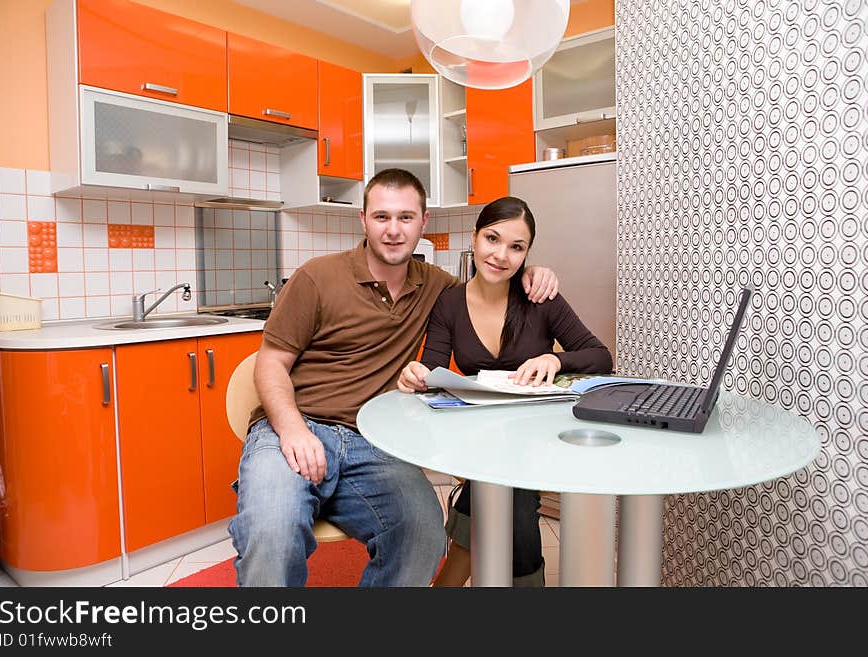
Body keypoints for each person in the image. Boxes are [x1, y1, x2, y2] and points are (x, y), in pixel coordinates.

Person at [228, 169, 561, 587]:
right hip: (295, 429)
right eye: (382, 217)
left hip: (374, 439)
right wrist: (293, 430)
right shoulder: (316, 276)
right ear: (363, 220)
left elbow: (490, 282)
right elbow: (270, 363)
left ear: (424, 224)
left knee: (422, 533)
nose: (393, 230)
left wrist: (530, 273)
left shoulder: (438, 288)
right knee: (271, 533)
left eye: (405, 218)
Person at [397, 196, 613, 587]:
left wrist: (555, 361)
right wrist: (416, 375)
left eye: (517, 247)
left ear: (527, 254)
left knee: (506, 493)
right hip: (481, 436)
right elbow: (432, 367)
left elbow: (601, 356)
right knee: (505, 495)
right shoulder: (449, 303)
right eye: (492, 239)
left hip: (536, 436)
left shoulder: (539, 298)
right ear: (474, 238)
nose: (501, 255)